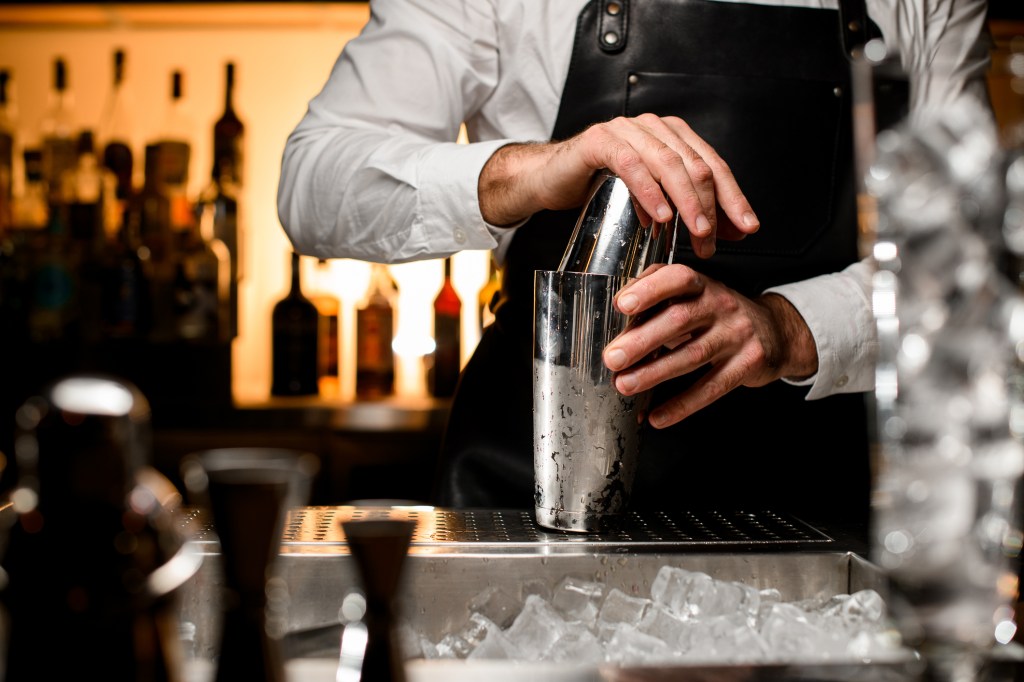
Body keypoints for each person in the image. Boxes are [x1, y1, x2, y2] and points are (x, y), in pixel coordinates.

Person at [277, 0, 992, 532]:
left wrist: (791, 328)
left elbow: (971, 261)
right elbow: (313, 182)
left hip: (814, 512)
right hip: (533, 498)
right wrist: (531, 168)